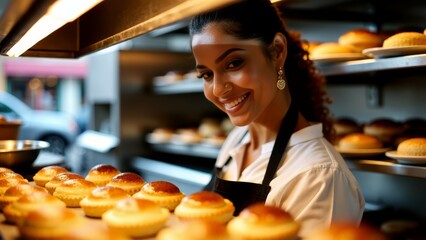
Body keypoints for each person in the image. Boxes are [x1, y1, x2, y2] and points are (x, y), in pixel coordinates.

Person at [188, 0, 365, 237]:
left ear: (278, 51)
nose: (219, 90)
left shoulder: (320, 177)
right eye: (206, 75)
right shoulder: (237, 139)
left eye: (234, 63)